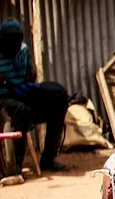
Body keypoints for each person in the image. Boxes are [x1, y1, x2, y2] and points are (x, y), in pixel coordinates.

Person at [0, 19, 68, 176]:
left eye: (18, 42)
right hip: (4, 99)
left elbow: (30, 72)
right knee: (22, 111)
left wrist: (32, 74)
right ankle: (16, 165)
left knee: (58, 97)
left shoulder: (23, 49)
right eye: (12, 43)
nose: (16, 47)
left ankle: (48, 159)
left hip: (23, 92)